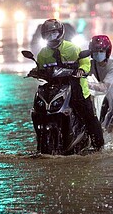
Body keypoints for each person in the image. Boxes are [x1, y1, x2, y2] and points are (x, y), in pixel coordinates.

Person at [35, 18, 105, 150]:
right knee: (40, 111)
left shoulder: (72, 48)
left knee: (89, 117)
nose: (52, 37)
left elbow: (85, 62)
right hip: (56, 89)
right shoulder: (43, 54)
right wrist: (35, 72)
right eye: (48, 34)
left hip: (76, 88)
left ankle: (99, 146)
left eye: (54, 33)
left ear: (60, 33)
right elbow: (40, 69)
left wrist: (81, 70)